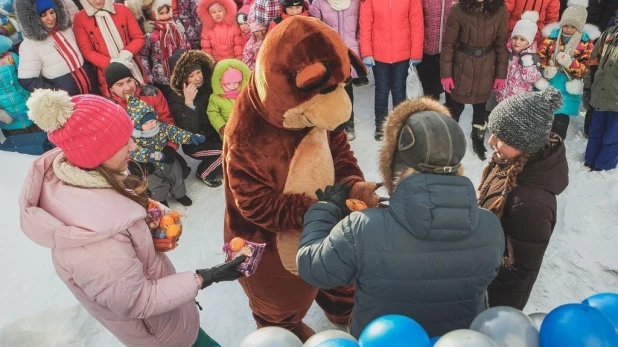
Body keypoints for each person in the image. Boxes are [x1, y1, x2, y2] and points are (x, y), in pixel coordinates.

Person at [19, 88, 248, 347]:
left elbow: (116, 218)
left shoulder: (91, 177)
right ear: (96, 154)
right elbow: (138, 300)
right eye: (123, 142)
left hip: (170, 319)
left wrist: (146, 225)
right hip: (162, 337)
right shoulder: (93, 245)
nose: (134, 146)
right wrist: (207, 276)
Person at [297, 98, 505, 338]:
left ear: (395, 166)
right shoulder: (490, 226)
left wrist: (323, 210)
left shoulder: (363, 228)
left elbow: (313, 268)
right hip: (458, 341)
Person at [477, 88, 569, 310]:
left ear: (524, 143)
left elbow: (518, 272)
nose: (491, 140)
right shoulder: (511, 162)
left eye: (500, 137)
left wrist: (475, 266)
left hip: (495, 297)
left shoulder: (531, 204)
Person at [440, 0, 508, 160]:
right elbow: (448, 44)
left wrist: (500, 74)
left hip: (486, 66)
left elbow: (501, 45)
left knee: (480, 107)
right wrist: (446, 74)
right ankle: (450, 137)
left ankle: (477, 137)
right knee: (455, 106)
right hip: (462, 65)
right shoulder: (458, 9)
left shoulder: (499, 10)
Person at [104, 62, 192, 178]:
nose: (128, 87)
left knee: (182, 172)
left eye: (129, 80)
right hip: (135, 152)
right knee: (146, 180)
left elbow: (167, 120)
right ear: (111, 89)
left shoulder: (152, 93)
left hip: (159, 144)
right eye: (120, 84)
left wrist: (170, 146)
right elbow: (115, 142)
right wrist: (133, 159)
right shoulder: (110, 108)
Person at [360, 0, 424, 141]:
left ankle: (398, 125)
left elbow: (417, 24)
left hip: (403, 54)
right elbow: (365, 24)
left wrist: (416, 53)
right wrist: (366, 52)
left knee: (399, 90)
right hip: (379, 55)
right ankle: (381, 125)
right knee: (381, 90)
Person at [536, 0, 598, 139]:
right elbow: (541, 55)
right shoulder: (552, 37)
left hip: (568, 85)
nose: (568, 29)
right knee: (544, 116)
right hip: (550, 82)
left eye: (573, 26)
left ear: (580, 27)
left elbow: (585, 68)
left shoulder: (586, 43)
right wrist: (545, 68)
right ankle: (540, 144)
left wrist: (570, 63)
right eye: (566, 25)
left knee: (561, 119)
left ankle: (556, 144)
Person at [126, 96, 203, 206]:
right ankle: (161, 200)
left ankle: (180, 195)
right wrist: (149, 156)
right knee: (156, 185)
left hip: (167, 160)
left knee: (177, 177)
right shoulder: (134, 138)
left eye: (152, 120)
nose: (151, 124)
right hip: (150, 166)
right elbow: (134, 152)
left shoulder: (161, 127)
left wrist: (190, 137)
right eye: (146, 123)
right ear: (137, 125)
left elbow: (175, 132)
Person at [15, 0, 98, 96]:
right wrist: (57, 92)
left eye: (52, 12)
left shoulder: (66, 30)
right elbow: (27, 80)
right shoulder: (29, 45)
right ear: (33, 18)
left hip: (93, 91)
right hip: (69, 100)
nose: (51, 18)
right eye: (43, 15)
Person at [169, 49, 225, 187]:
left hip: (214, 134)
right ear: (182, 78)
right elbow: (188, 130)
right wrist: (189, 104)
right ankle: (204, 173)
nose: (197, 78)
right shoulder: (176, 97)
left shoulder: (208, 84)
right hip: (195, 143)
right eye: (191, 75)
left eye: (198, 72)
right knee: (227, 151)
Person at [310, 0, 361, 140]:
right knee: (330, 90)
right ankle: (334, 125)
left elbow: (361, 26)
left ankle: (349, 123)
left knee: (347, 89)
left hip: (349, 51)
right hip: (329, 53)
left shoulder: (355, 2)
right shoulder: (319, 2)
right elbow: (314, 27)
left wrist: (357, 45)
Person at [73, 0, 146, 96]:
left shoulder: (122, 9)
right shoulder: (80, 18)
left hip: (132, 66)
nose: (98, 1)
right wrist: (112, 63)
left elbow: (138, 37)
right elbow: (87, 51)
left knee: (145, 99)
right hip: (107, 73)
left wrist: (125, 55)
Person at [486, 12, 543, 132]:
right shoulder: (506, 52)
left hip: (519, 100)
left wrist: (527, 65)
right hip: (502, 95)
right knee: (500, 119)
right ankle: (497, 139)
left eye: (522, 39)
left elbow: (533, 78)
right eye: (515, 38)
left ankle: (509, 144)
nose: (517, 42)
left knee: (513, 124)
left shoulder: (532, 57)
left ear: (529, 41)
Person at [584, 18, 618, 171]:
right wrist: (588, 85)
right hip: (600, 92)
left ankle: (604, 164)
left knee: (612, 136)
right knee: (595, 130)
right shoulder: (609, 34)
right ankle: (590, 159)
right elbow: (593, 60)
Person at [139, 0, 191, 99]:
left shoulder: (175, 27)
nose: (165, 16)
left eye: (167, 12)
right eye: (161, 13)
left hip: (180, 72)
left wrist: (182, 33)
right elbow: (143, 54)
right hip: (161, 75)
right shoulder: (152, 33)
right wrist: (148, 74)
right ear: (155, 13)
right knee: (170, 99)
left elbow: (186, 47)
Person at [417, 0, 456, 100]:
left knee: (452, 93)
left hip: (452, 51)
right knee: (430, 92)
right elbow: (416, 19)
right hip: (428, 50)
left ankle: (449, 113)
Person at [0, 35, 35, 137]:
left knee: (43, 142)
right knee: (20, 148)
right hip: (7, 117)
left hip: (28, 106)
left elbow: (28, 79)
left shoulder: (12, 57)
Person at [207, 59, 250, 138]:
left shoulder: (246, 94)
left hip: (248, 131)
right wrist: (222, 126)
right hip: (229, 134)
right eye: (228, 83)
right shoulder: (216, 97)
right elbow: (213, 113)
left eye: (236, 82)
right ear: (220, 81)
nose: (233, 86)